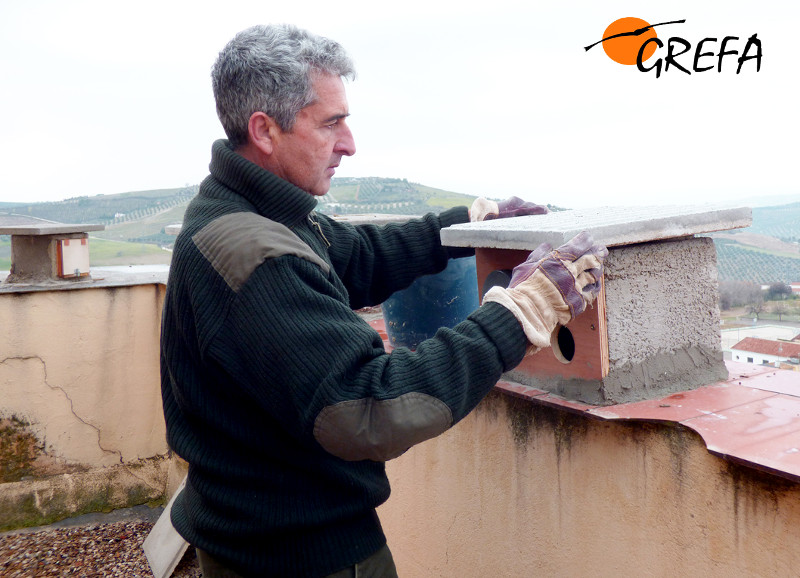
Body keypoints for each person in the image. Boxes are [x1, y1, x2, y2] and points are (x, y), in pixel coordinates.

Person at [160, 23, 607, 578]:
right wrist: (524, 312)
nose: (349, 142)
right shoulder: (256, 253)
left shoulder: (249, 214)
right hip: (298, 558)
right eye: (331, 122)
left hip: (261, 541)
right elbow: (371, 409)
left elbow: (356, 255)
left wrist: (462, 225)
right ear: (265, 129)